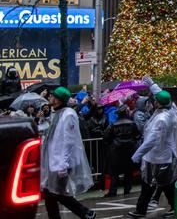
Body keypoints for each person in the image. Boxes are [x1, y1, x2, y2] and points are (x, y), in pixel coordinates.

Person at [41, 86, 95, 219]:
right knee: (49, 192)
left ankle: (86, 212)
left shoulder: (68, 114)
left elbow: (68, 141)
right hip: (53, 160)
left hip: (61, 162)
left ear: (58, 100)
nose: (50, 97)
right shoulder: (57, 113)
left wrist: (63, 164)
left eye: (52, 96)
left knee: (56, 192)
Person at [129, 82, 177, 219]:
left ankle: (141, 210)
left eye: (155, 100)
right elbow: (164, 96)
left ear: (158, 103)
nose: (153, 102)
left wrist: (137, 155)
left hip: (158, 157)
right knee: (161, 185)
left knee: (154, 185)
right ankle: (142, 210)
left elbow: (152, 140)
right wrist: (151, 83)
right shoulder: (172, 110)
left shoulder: (162, 119)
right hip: (161, 157)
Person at [103, 106, 140, 197]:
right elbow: (138, 135)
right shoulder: (132, 124)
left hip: (116, 150)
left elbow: (106, 137)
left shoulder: (113, 125)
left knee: (114, 172)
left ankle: (113, 191)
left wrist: (111, 143)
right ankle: (127, 190)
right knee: (128, 171)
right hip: (130, 149)